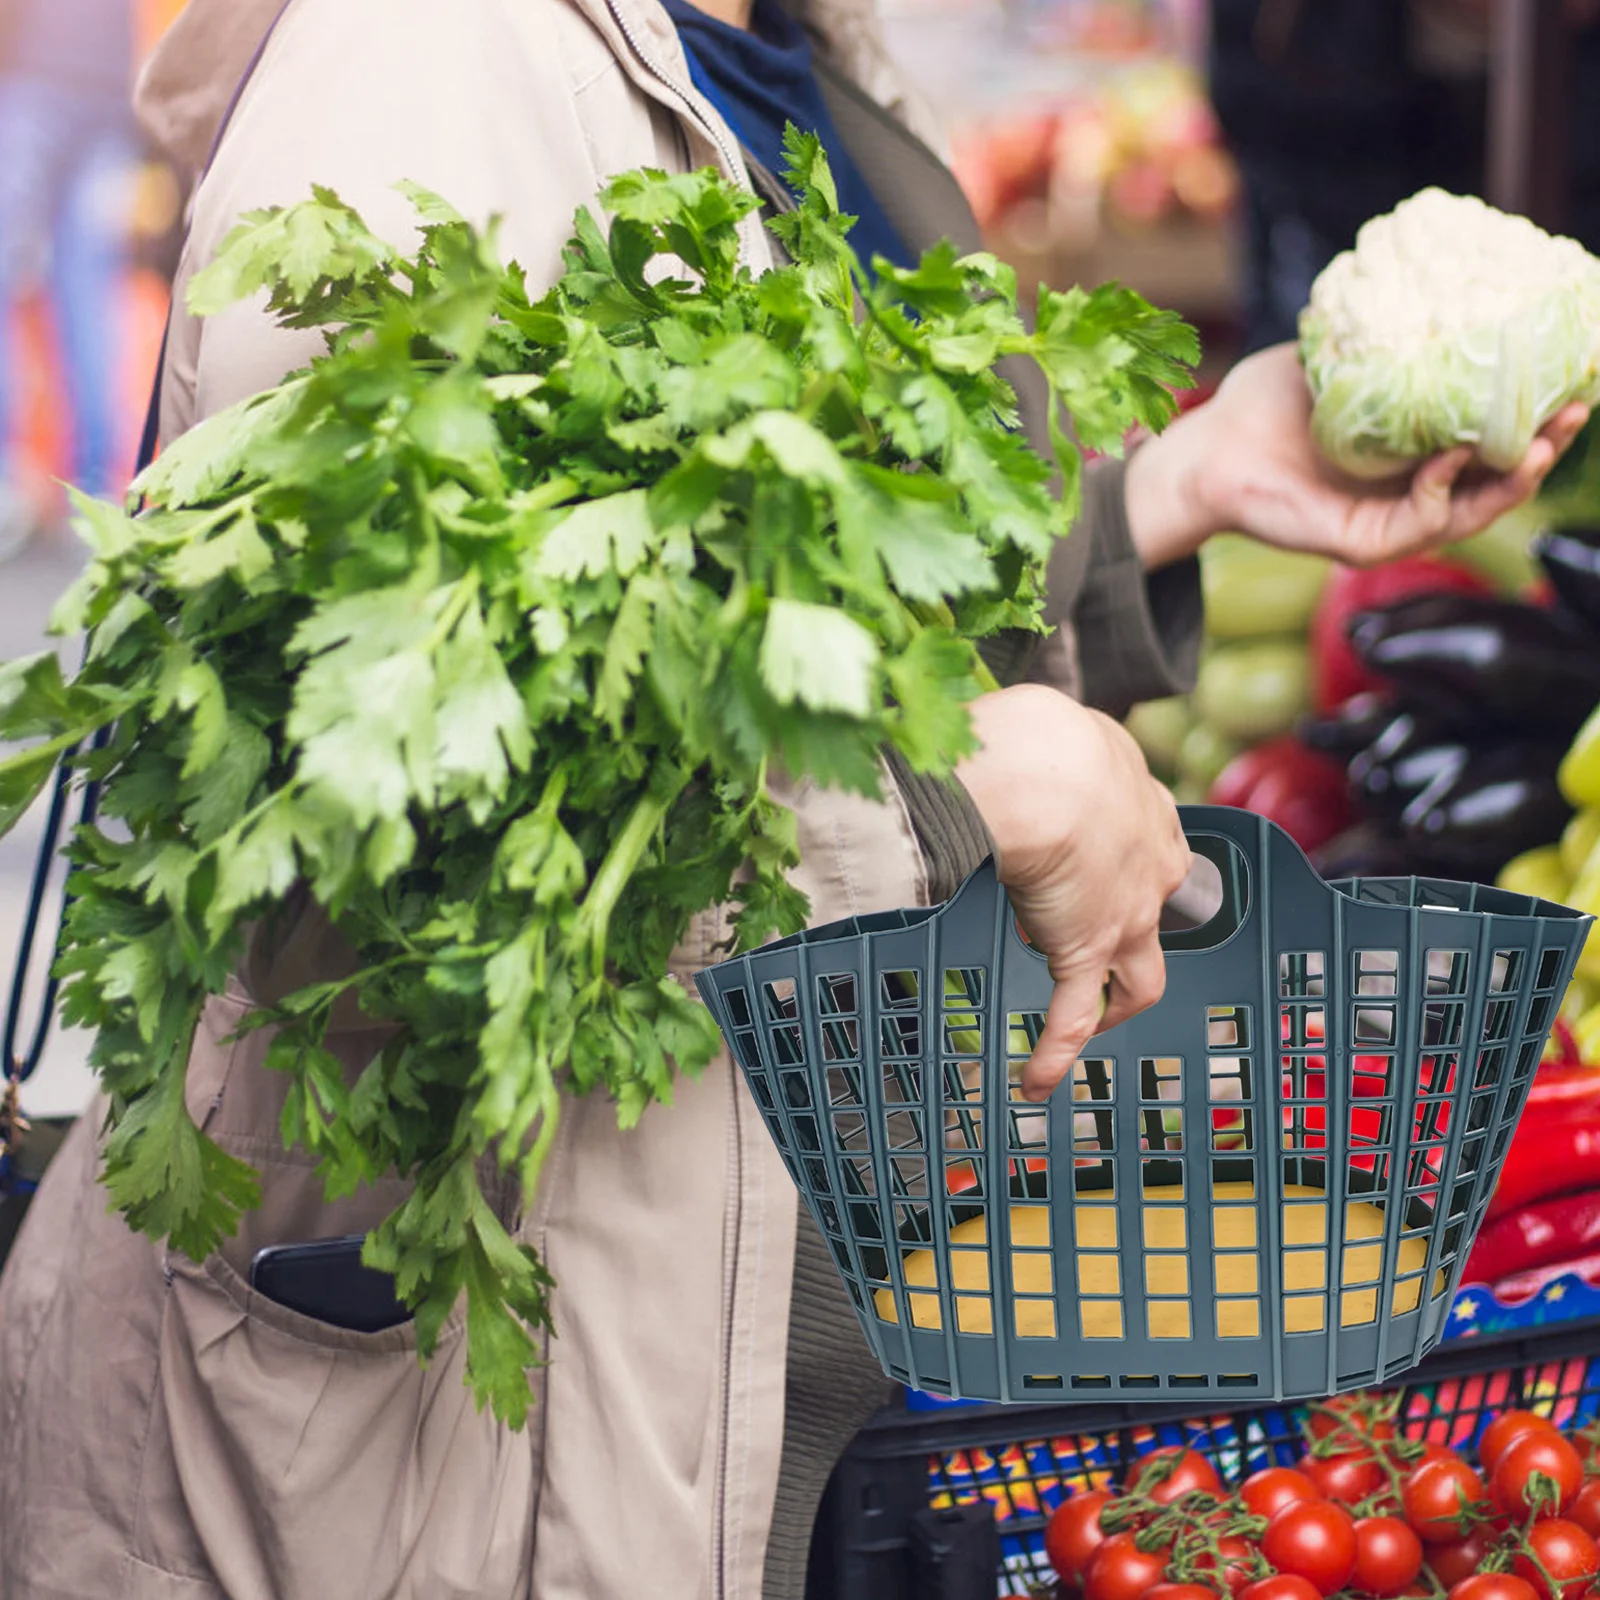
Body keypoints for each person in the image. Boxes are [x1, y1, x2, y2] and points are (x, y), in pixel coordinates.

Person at [0, 3, 1583, 1598]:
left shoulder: (801, 55)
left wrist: (1175, 489)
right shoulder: (429, 51)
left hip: (770, 1378)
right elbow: (368, 706)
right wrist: (961, 771)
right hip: (459, 1455)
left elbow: (798, 570)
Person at [0, 0, 137, 558]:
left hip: (31, 78)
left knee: (13, 279)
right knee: (89, 291)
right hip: (108, 85)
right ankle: (92, 489)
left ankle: (8, 483)